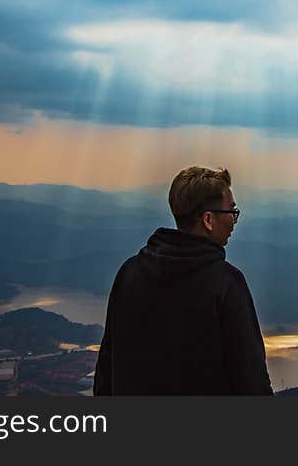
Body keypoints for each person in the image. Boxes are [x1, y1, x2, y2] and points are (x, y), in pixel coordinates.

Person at [94, 166, 273, 395]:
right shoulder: (226, 284)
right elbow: (251, 380)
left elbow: (106, 369)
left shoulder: (129, 273)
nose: (234, 221)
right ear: (208, 219)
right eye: (231, 211)